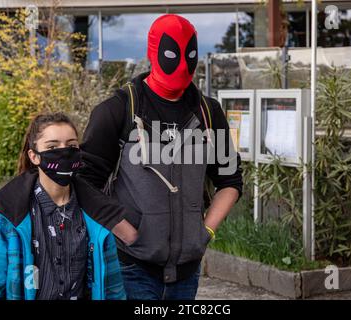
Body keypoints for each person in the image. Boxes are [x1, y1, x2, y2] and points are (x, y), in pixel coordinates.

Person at [79, 14, 243, 300]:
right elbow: (84, 183)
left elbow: (230, 179)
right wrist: (127, 232)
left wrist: (205, 231)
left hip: (187, 273)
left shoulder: (208, 113)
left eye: (190, 54)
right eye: (171, 54)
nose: (182, 64)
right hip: (130, 268)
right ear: (153, 52)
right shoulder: (118, 109)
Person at [0, 112, 126, 300]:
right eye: (52, 146)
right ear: (34, 156)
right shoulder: (9, 211)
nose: (64, 152)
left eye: (71, 145)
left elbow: (112, 286)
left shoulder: (96, 212)